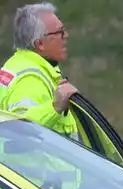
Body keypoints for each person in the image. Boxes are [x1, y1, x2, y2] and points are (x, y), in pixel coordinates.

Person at [0, 4, 80, 139]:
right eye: (60, 32)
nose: (66, 36)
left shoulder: (17, 65)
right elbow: (19, 131)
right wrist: (55, 108)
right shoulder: (30, 80)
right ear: (39, 44)